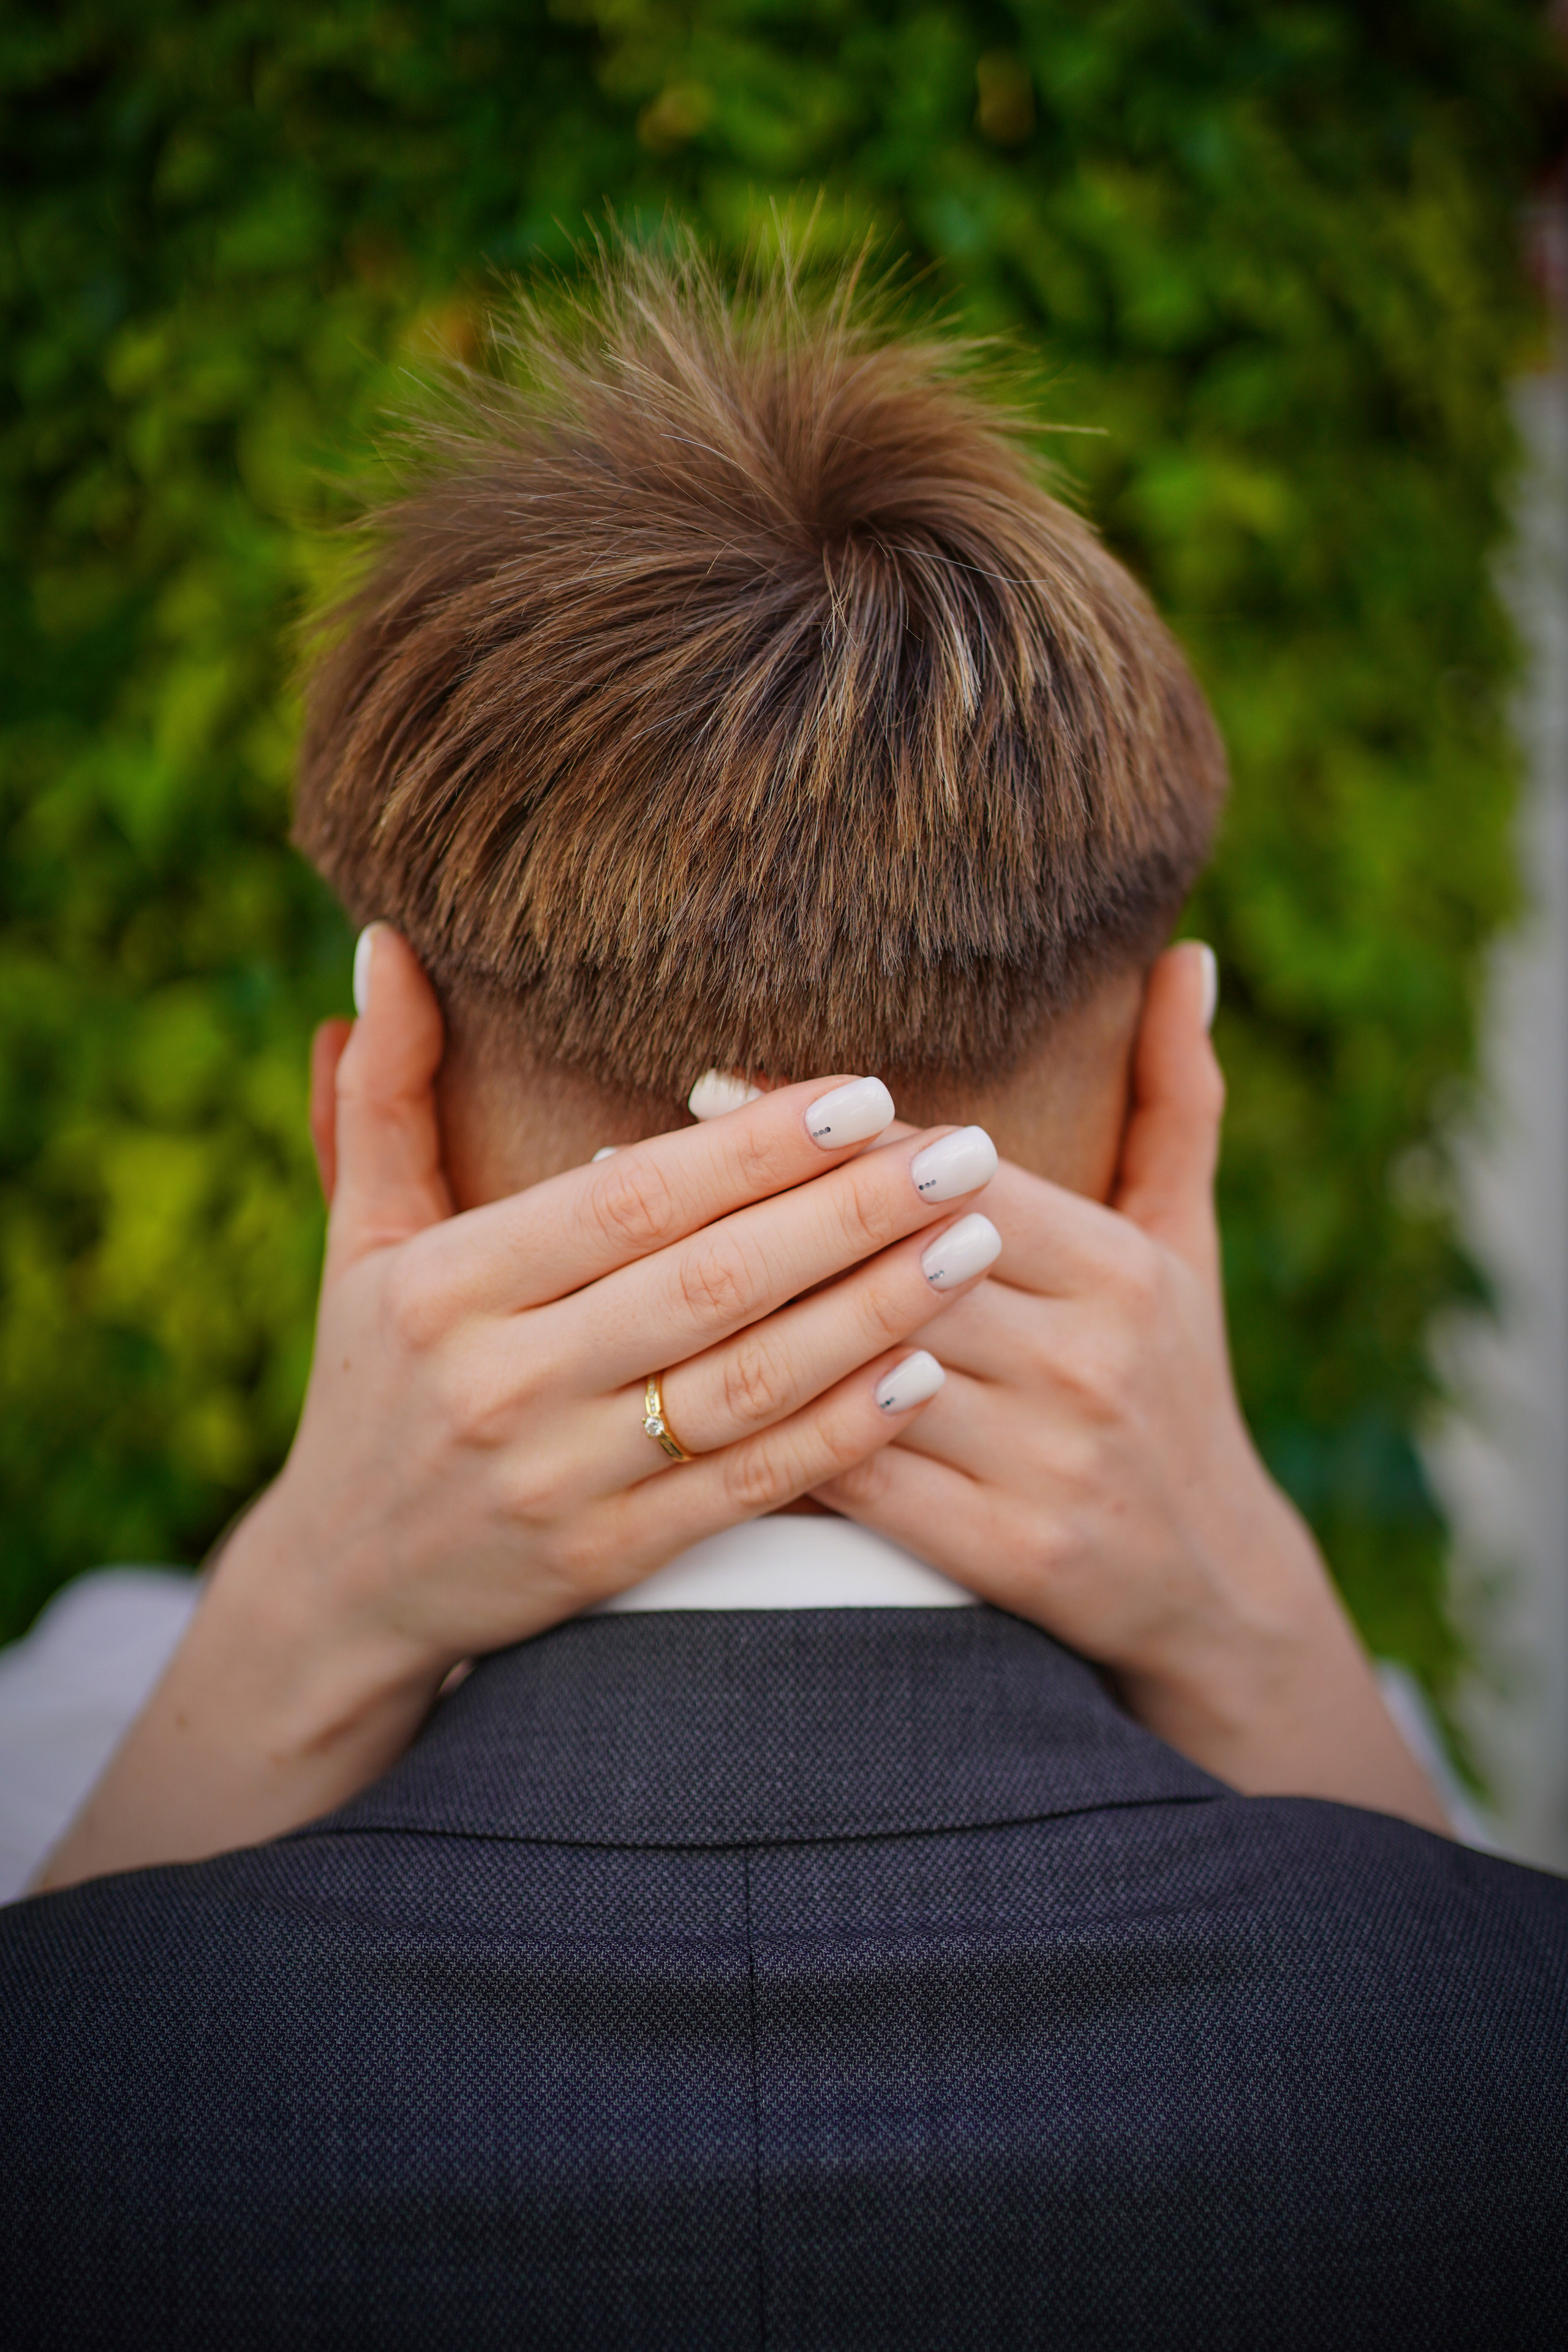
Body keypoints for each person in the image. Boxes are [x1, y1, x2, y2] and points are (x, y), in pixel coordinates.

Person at [1, 242, 1562, 2347]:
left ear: (378, 1096)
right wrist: (1261, 1628)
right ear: (1165, 1098)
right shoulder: (1448, 1927)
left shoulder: (86, 1753)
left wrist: (294, 1623)